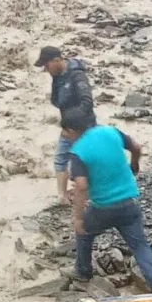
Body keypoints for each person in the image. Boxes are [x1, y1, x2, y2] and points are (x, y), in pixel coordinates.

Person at [59, 107, 152, 294]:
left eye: (65, 130)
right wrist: (134, 163)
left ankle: (83, 271)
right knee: (140, 246)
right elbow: (137, 147)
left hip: (102, 208)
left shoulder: (77, 152)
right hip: (129, 202)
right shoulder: (111, 131)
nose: (63, 134)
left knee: (84, 233)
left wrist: (77, 218)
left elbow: (82, 186)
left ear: (73, 130)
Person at [35, 45, 96, 206]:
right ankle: (62, 197)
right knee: (61, 159)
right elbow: (57, 100)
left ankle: (88, 196)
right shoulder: (57, 76)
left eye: (47, 65)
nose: (46, 70)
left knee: (84, 161)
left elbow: (87, 101)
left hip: (84, 127)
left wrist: (74, 121)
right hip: (68, 127)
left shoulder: (76, 75)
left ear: (56, 60)